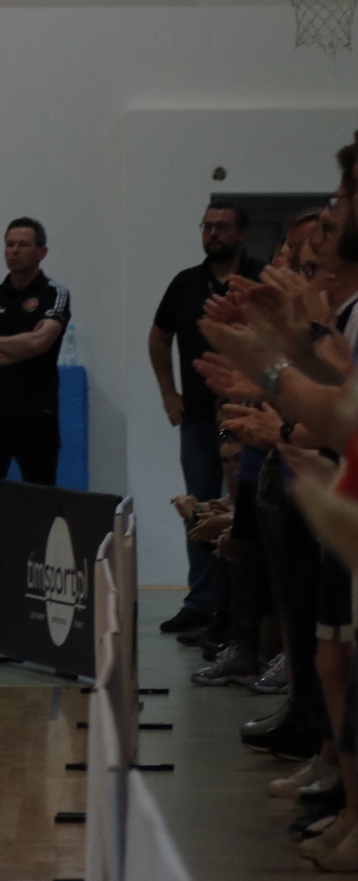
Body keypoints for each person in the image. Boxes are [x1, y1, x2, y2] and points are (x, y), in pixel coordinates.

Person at [150, 201, 263, 633]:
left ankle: (240, 610)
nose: (213, 233)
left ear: (242, 233)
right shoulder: (185, 284)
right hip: (198, 418)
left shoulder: (260, 278)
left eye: (222, 226)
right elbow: (158, 337)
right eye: (207, 226)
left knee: (244, 507)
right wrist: (168, 393)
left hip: (248, 416)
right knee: (198, 508)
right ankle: (201, 602)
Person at [0, 218, 72, 601]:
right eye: (9, 243)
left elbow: (41, 343)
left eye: (23, 244)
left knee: (41, 507)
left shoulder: (55, 293)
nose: (14, 250)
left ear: (41, 252)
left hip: (36, 418)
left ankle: (41, 594)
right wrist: (15, 348)